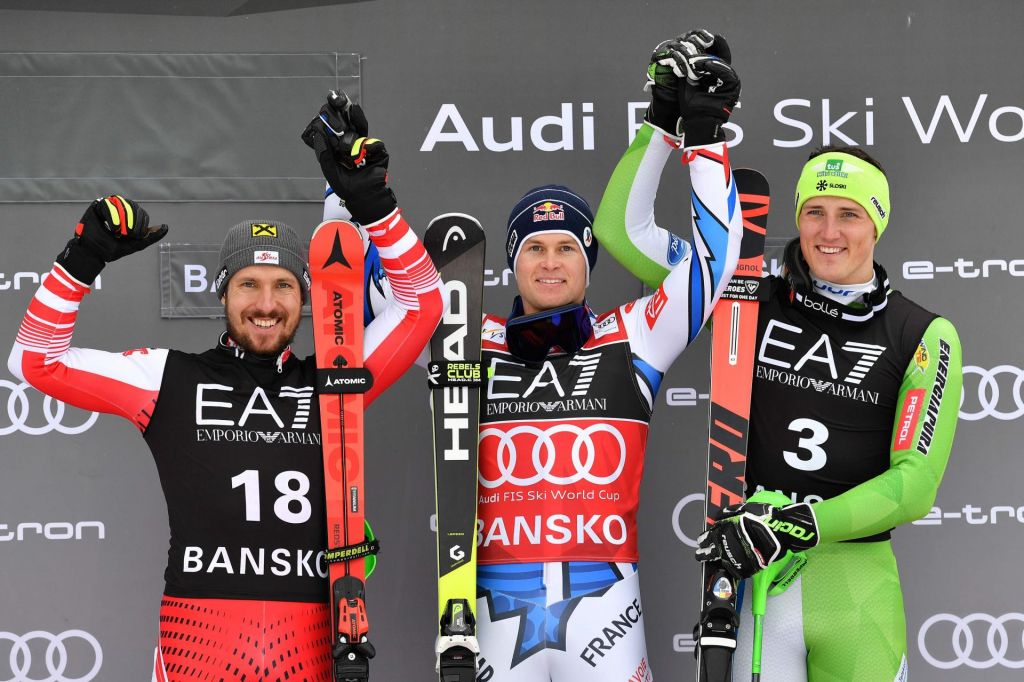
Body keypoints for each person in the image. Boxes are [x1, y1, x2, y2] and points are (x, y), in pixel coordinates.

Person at [8, 99, 444, 682]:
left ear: (305, 297)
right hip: (198, 645)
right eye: (249, 285)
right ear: (221, 293)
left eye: (284, 286)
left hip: (314, 647)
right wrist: (81, 260)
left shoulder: (335, 384)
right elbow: (36, 360)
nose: (266, 304)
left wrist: (375, 207)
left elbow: (423, 303)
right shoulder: (167, 377)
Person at [593, 32, 963, 681]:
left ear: (878, 224)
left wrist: (799, 525)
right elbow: (623, 235)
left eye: (848, 215)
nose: (827, 232)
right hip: (758, 587)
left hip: (858, 593)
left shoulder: (922, 333)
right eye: (814, 211)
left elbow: (914, 487)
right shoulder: (747, 294)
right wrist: (662, 118)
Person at [467, 36, 743, 681]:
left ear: (589, 264)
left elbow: (713, 262)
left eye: (568, 246)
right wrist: (352, 202)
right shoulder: (471, 341)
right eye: (534, 247)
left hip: (606, 602)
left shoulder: (633, 336)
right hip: (490, 603)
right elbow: (376, 301)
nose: (551, 261)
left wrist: (699, 137)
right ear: (513, 263)